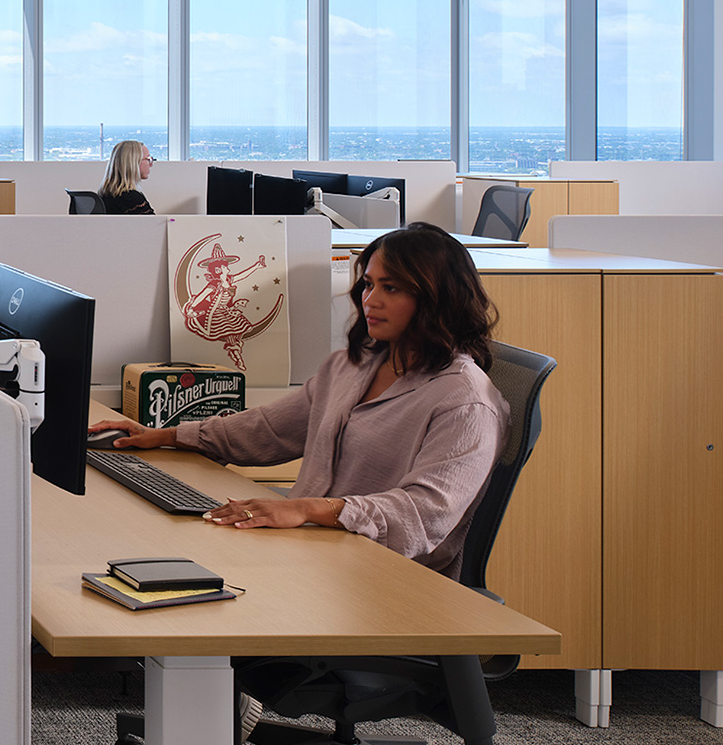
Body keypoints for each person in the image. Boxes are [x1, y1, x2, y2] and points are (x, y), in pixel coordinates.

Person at [101, 223, 506, 577]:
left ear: (437, 298)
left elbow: (422, 514)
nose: (371, 300)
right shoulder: (354, 365)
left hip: (382, 580)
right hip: (309, 556)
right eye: (368, 284)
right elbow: (270, 429)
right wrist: (167, 435)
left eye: (391, 288)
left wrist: (311, 510)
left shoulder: (466, 403)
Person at [97, 139, 155, 214]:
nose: (151, 164)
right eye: (148, 159)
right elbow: (153, 224)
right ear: (134, 163)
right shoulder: (132, 199)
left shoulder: (105, 195)